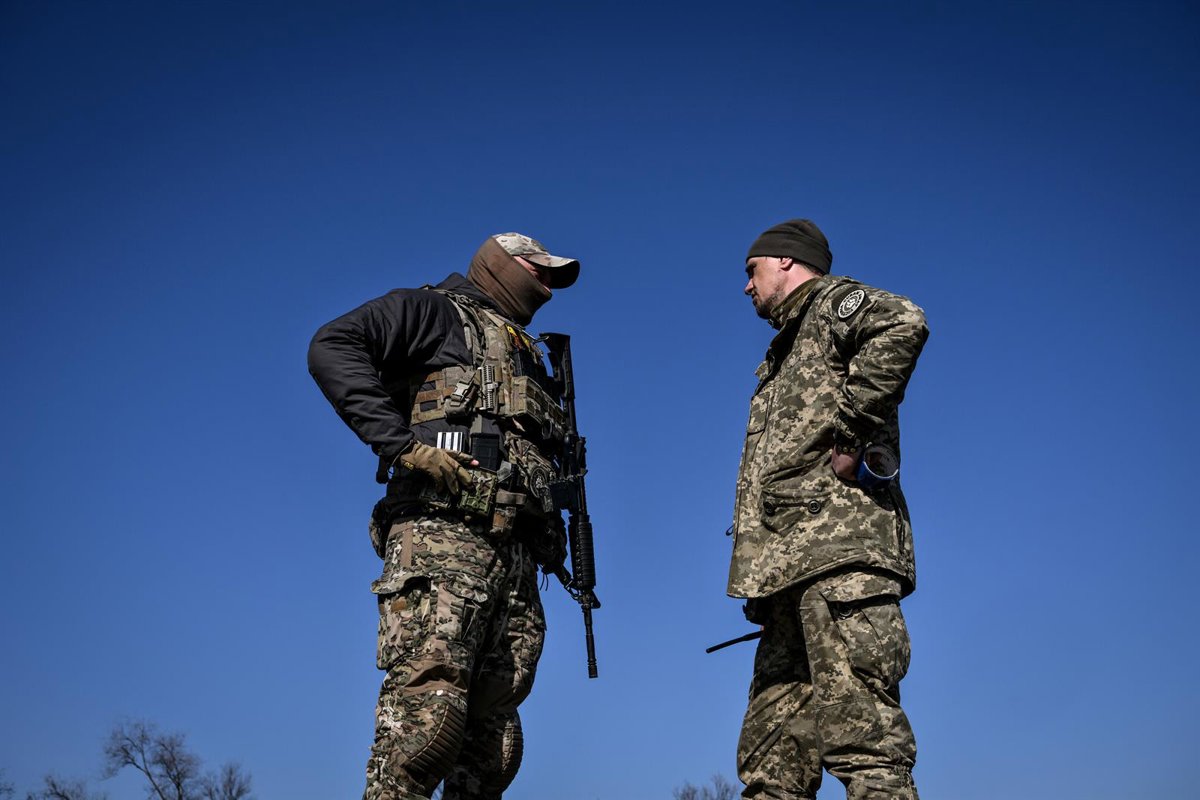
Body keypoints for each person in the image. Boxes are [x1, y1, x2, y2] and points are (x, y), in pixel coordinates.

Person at [307, 232, 581, 800]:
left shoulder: (528, 352)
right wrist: (403, 446)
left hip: (516, 560)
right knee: (427, 722)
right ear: (503, 265)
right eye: (540, 270)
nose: (549, 285)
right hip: (444, 540)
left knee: (493, 745)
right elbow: (332, 345)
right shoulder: (434, 311)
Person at [729, 219, 929, 800]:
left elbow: (902, 321)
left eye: (752, 270)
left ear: (786, 262)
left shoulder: (831, 306)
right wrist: (760, 580)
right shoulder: (785, 348)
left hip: (840, 563)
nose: (747, 286)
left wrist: (852, 429)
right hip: (786, 579)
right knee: (772, 768)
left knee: (867, 747)